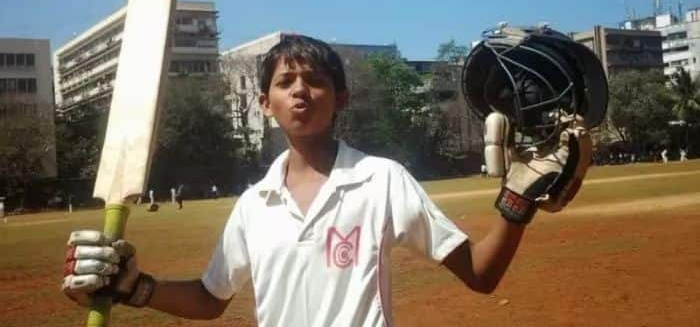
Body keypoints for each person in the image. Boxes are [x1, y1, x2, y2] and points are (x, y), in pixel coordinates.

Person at [62, 35, 592, 325]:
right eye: (285, 82)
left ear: (341, 98)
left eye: (316, 81)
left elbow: (480, 274)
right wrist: (136, 288)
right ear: (265, 105)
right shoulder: (254, 205)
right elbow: (210, 298)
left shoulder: (381, 179)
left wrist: (515, 199)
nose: (300, 92)